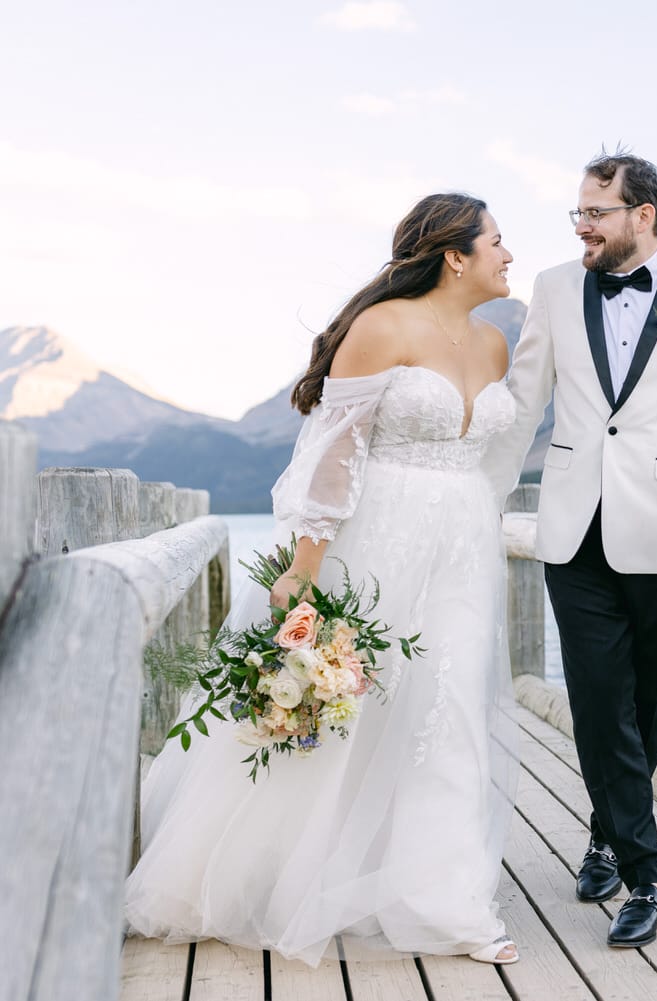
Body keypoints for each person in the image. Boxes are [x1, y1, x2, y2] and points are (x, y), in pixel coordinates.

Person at [124, 193, 525, 967]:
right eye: (499, 242)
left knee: (447, 707)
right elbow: (334, 453)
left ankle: (448, 901)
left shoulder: (495, 345)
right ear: (455, 254)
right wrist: (304, 573)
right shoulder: (381, 328)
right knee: (343, 706)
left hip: (466, 544)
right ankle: (253, 873)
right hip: (377, 536)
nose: (510, 256)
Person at [489, 152, 657, 947]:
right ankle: (651, 874)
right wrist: (480, 491)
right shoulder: (551, 289)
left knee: (650, 701)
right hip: (572, 529)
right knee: (599, 698)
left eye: (596, 212)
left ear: (643, 215)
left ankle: (607, 833)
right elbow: (523, 405)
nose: (582, 225)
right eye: (577, 212)